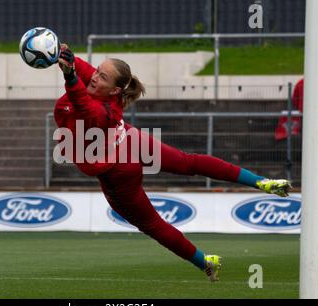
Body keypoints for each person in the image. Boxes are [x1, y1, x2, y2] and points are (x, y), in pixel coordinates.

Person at [54, 44, 292, 282]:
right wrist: (61, 52)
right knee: (189, 163)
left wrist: (70, 76)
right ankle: (262, 182)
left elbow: (84, 108)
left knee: (152, 224)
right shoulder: (102, 87)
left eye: (102, 76)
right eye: (97, 71)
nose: (94, 76)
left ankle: (205, 262)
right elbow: (83, 71)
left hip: (118, 169)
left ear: (116, 90)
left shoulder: (101, 111)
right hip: (130, 141)